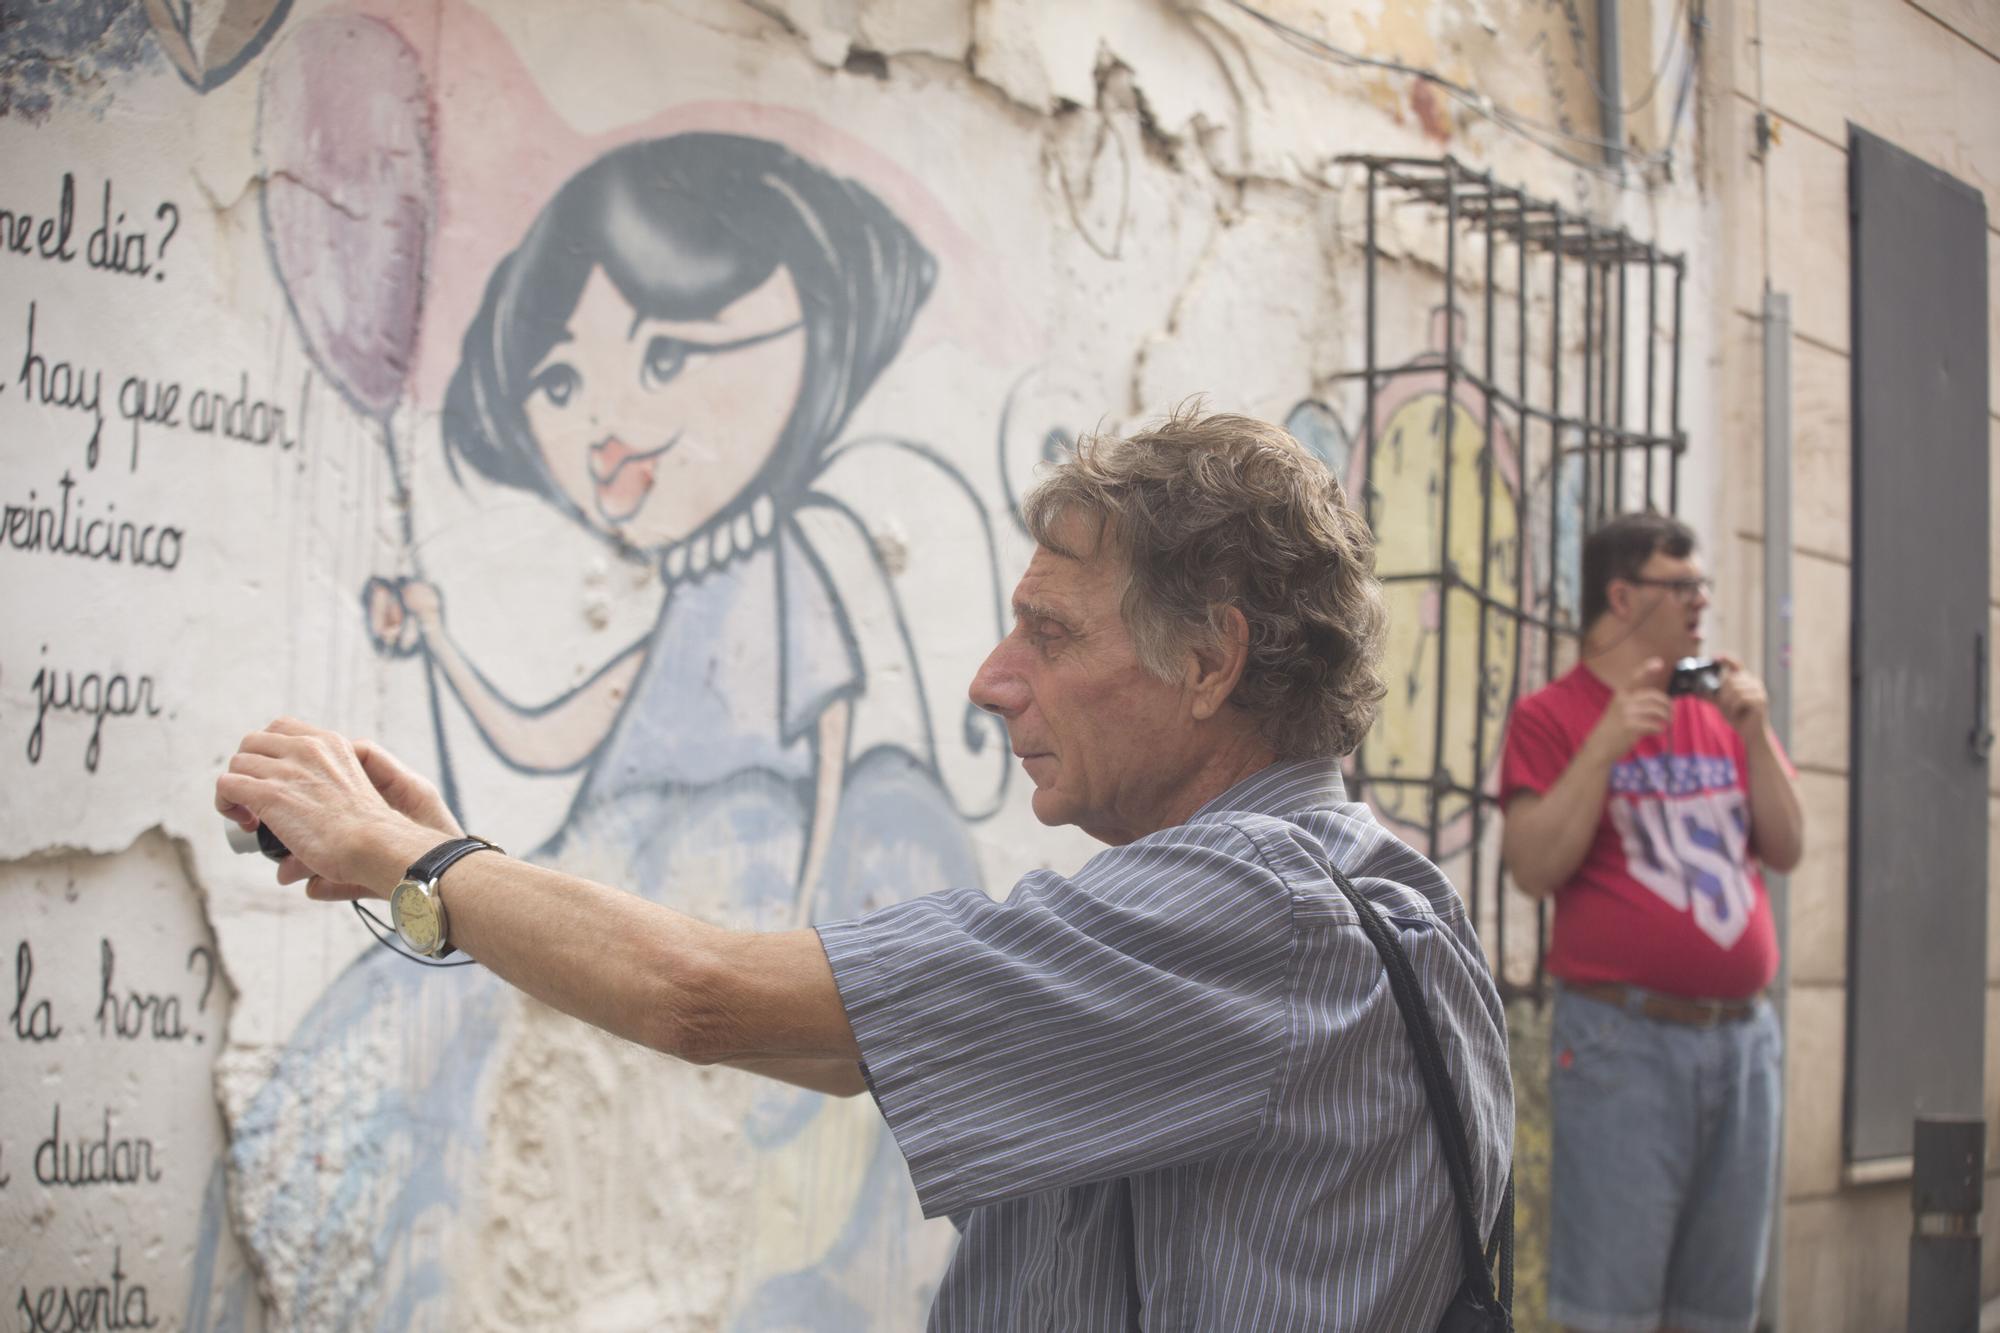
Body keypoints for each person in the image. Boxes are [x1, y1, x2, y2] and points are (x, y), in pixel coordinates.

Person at [220, 408, 1514, 1330]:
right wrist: (453, 877)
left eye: (1050, 633)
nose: (992, 680)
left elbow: (701, 992)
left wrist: (423, 860)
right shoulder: (1369, 890)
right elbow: (834, 1043)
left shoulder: (1254, 911)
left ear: (1210, 662)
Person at [1498, 511, 1805, 1333]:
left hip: (1745, 1043)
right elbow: (1531, 866)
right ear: (1622, 595)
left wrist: (1756, 733)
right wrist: (1602, 747)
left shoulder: (1717, 705)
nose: (1702, 601)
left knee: (1719, 1310)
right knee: (1612, 1310)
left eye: (1702, 584)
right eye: (1683, 585)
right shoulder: (1551, 715)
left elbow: (1789, 844)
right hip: (1623, 1045)